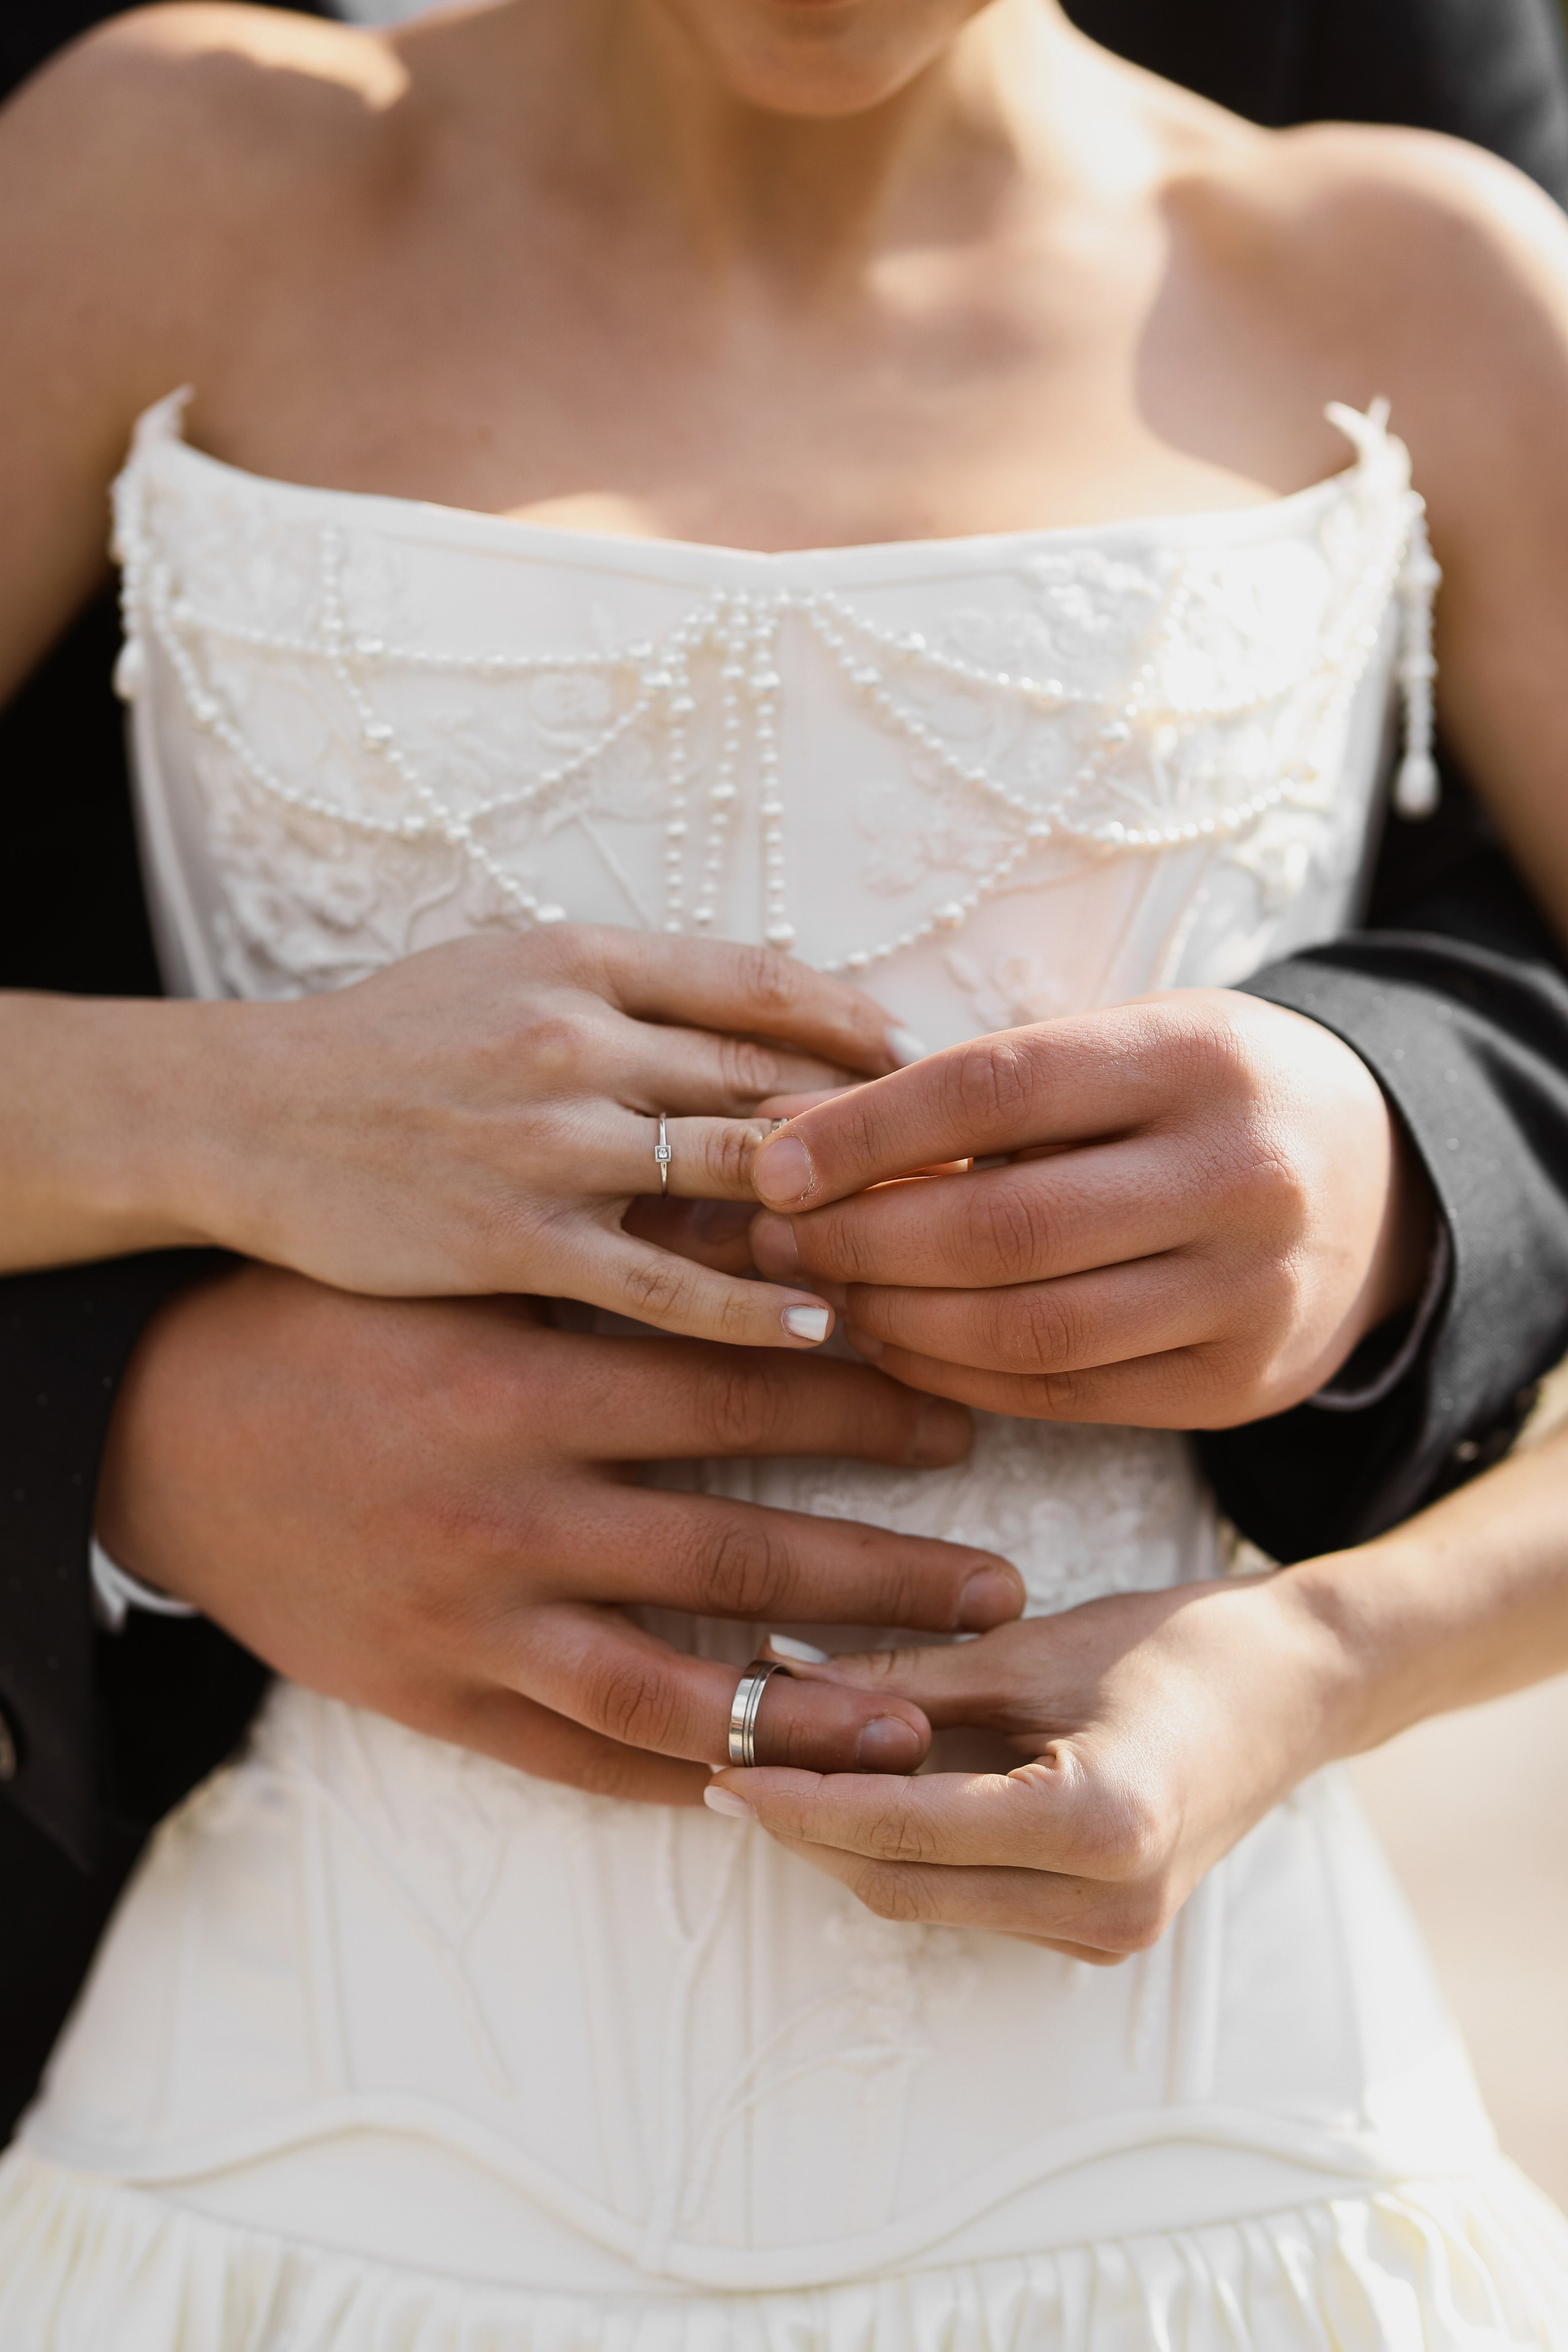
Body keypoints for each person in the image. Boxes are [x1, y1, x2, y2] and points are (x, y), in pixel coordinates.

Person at [4, 2, 1568, 2342]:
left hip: (1209, 2199)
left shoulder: (1419, 281)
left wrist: (1327, 1659)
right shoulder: (163, 181)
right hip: (286, 2192)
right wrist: (230, 1114)